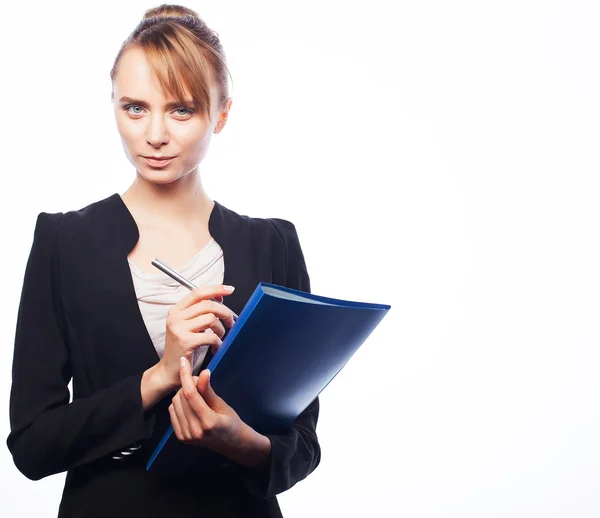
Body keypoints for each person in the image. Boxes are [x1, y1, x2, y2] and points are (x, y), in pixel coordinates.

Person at [6, 4, 320, 517]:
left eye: (181, 110)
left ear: (221, 114)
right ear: (112, 104)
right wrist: (158, 377)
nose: (154, 134)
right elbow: (32, 445)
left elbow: (302, 445)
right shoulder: (63, 241)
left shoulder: (273, 245)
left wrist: (241, 441)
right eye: (134, 107)